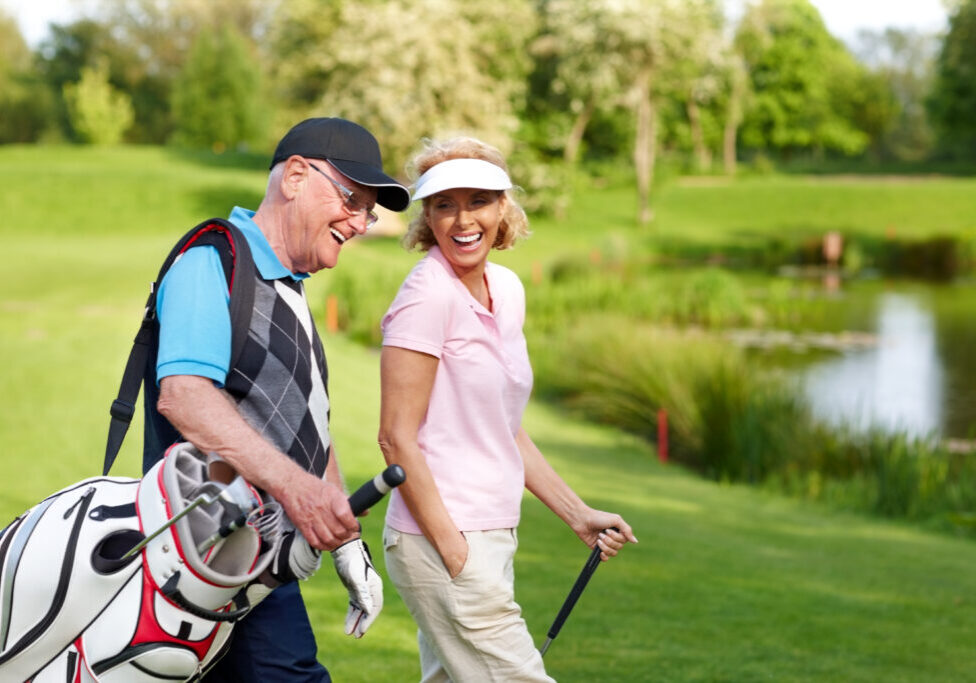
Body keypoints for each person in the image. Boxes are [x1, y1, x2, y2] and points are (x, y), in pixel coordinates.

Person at [149, 117, 410, 681]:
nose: (362, 222)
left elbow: (306, 425)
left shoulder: (285, 286)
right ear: (294, 176)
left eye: (370, 210)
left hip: (253, 564)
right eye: (352, 199)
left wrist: (346, 544)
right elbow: (185, 398)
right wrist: (300, 491)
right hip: (211, 555)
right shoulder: (212, 262)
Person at [377, 137, 639, 682]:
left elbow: (504, 427)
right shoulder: (427, 297)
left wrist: (577, 514)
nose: (461, 218)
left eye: (478, 200)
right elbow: (395, 439)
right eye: (444, 204)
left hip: (493, 534)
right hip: (442, 538)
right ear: (427, 217)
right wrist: (454, 551)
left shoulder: (507, 288)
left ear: (503, 210)